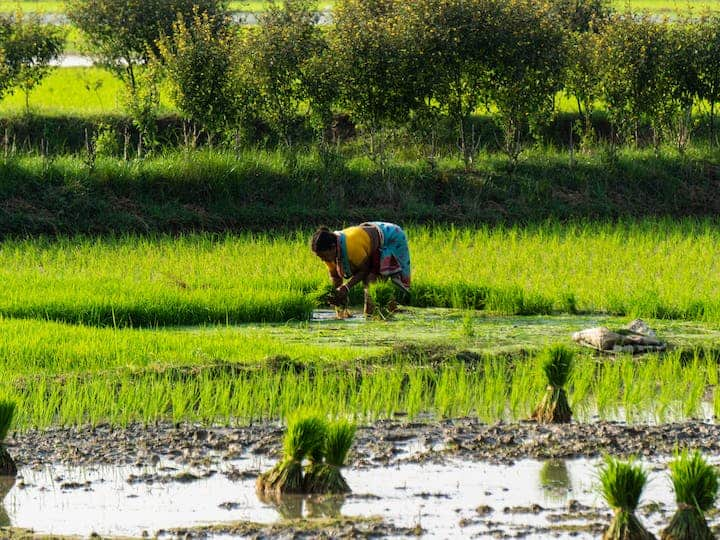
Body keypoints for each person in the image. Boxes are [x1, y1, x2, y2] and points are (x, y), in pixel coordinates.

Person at [310, 222, 411, 316]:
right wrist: (336, 296)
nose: (323, 260)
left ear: (333, 247)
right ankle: (391, 309)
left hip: (390, 237)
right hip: (368, 237)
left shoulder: (351, 247)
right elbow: (335, 277)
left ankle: (372, 315)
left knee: (370, 281)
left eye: (323, 256)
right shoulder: (329, 253)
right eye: (320, 257)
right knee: (373, 283)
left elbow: (364, 270)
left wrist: (346, 287)